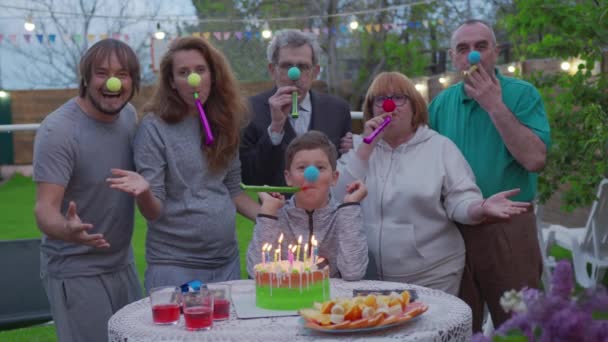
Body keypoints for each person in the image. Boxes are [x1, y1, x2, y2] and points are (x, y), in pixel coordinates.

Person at [334, 72, 530, 296]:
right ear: (371, 108)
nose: (388, 105)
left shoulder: (439, 148)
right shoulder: (359, 149)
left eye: (399, 97)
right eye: (380, 99)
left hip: (432, 274)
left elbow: (461, 199)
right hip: (368, 277)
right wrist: (367, 147)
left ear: (414, 107)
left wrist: (480, 208)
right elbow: (339, 197)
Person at [109, 37, 259, 292]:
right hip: (175, 265)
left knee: (228, 332)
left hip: (226, 262)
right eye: (183, 72)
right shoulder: (154, 128)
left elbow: (233, 190)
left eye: (200, 70)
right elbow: (152, 211)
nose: (194, 79)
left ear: (213, 75)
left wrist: (271, 217)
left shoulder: (226, 122)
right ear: (172, 83)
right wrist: (144, 192)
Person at [428, 19, 551, 331]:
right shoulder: (441, 103)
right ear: (453, 57)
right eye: (463, 49)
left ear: (496, 52)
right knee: (457, 325)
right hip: (454, 228)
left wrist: (494, 105)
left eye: (481, 47)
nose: (473, 56)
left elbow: (535, 159)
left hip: (508, 228)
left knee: (520, 325)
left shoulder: (522, 94)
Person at [33, 39, 142, 342]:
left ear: (133, 81)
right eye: (102, 73)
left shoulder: (129, 116)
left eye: (122, 74)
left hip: (123, 263)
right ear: (85, 78)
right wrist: (65, 229)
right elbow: (44, 208)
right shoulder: (60, 130)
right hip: (76, 270)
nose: (112, 82)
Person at [246, 131, 368, 280]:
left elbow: (354, 273)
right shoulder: (276, 218)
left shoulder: (343, 217)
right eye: (302, 168)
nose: (311, 175)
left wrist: (350, 206)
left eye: (320, 168)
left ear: (334, 178)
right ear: (288, 178)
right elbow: (255, 274)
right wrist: (268, 212)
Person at [240, 29, 353, 187]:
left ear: (315, 72)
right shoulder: (248, 111)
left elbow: (344, 170)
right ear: (272, 70)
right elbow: (248, 176)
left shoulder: (337, 110)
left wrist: (354, 149)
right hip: (273, 207)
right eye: (287, 66)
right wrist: (275, 129)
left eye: (303, 66)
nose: (295, 75)